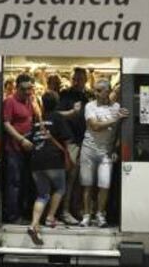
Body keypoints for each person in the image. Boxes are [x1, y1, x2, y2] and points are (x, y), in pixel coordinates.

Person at [79, 80, 129, 227]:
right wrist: (115, 119)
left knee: (104, 185)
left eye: (100, 90)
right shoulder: (90, 106)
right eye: (95, 90)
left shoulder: (117, 107)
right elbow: (94, 126)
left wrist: (115, 148)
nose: (96, 93)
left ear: (108, 91)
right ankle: (87, 215)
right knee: (87, 184)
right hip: (89, 149)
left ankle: (100, 215)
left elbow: (119, 131)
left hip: (106, 151)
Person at [27, 91, 72, 245]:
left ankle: (34, 224)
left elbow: (31, 139)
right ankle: (50, 217)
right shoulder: (58, 118)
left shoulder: (36, 121)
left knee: (42, 194)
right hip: (53, 160)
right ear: (57, 103)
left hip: (36, 160)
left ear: (43, 104)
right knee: (60, 188)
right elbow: (67, 138)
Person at [57, 67, 93, 225]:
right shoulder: (65, 95)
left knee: (80, 179)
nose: (77, 82)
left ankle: (74, 209)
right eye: (75, 79)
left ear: (86, 80)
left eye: (80, 79)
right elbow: (55, 115)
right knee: (69, 178)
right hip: (70, 142)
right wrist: (72, 111)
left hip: (85, 141)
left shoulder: (88, 96)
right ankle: (64, 211)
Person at [3, 74, 35, 223]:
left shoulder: (29, 101)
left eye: (30, 89)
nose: (28, 92)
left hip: (26, 149)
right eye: (24, 89)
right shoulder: (10, 101)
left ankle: (22, 213)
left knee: (24, 182)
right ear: (17, 88)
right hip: (14, 149)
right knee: (14, 183)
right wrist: (21, 139)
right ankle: (12, 216)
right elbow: (6, 124)